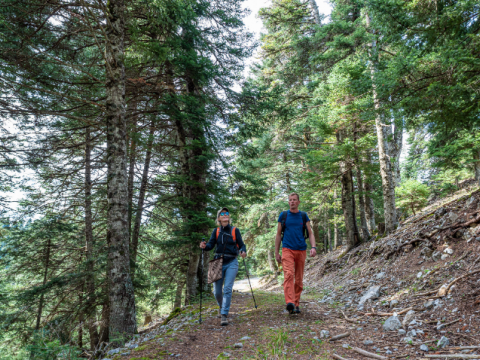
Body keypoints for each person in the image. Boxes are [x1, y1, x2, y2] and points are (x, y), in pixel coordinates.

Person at [200, 207, 247, 326]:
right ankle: (221, 307)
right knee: (217, 292)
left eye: (227, 213)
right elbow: (210, 245)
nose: (225, 215)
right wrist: (204, 246)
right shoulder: (216, 231)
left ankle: (224, 314)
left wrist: (243, 251)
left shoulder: (235, 230)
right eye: (222, 214)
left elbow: (241, 245)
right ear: (219, 218)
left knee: (227, 289)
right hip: (217, 262)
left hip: (232, 261)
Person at [275, 193, 317, 314]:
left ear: (298, 202)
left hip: (301, 249)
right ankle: (290, 302)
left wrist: (313, 247)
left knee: (298, 279)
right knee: (288, 274)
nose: (292, 202)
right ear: (288, 202)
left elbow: (310, 233)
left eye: (294, 200)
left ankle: (296, 303)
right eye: (290, 200)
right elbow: (278, 235)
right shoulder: (283, 216)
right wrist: (276, 252)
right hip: (287, 249)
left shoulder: (303, 216)